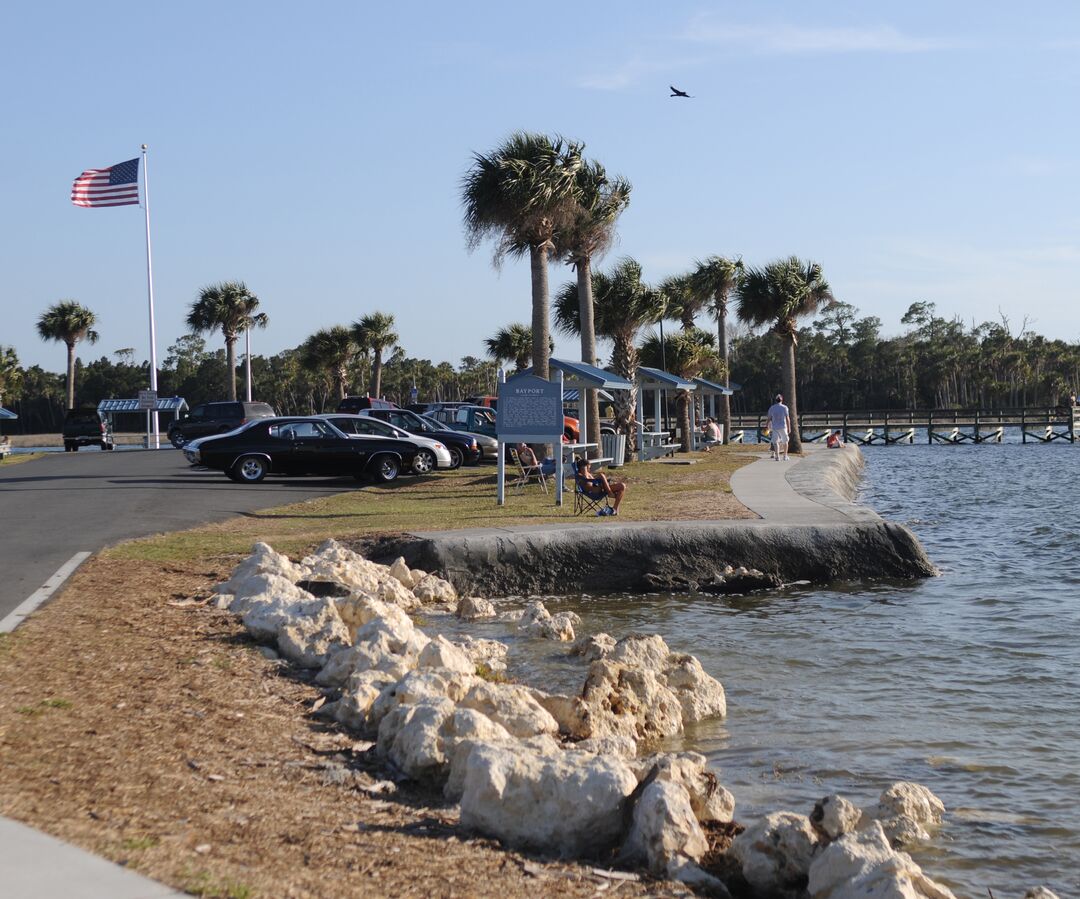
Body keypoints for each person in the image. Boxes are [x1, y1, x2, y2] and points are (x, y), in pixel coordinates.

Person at [766, 394, 791, 461]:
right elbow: (787, 418)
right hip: (783, 427)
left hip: (775, 427)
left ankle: (777, 456)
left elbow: (769, 418)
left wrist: (767, 426)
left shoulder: (772, 408)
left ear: (775, 400)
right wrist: (789, 428)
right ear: (782, 400)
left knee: (775, 442)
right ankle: (785, 456)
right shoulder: (785, 407)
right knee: (785, 442)